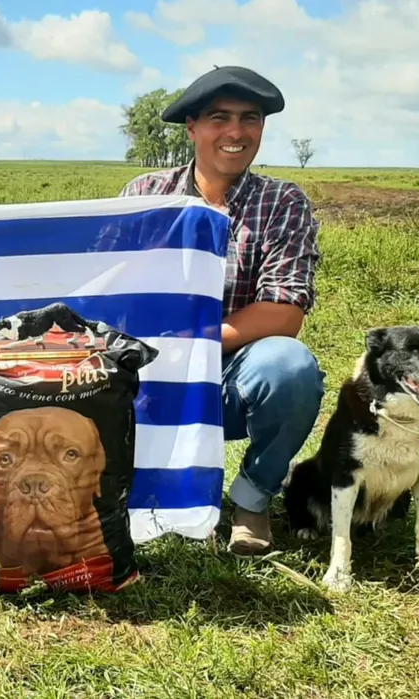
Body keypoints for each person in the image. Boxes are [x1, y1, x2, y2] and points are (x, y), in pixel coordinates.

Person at [119, 65, 325, 556]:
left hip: (232, 372)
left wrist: (188, 342)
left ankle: (252, 498)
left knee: (290, 367)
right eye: (219, 118)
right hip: (149, 368)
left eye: (249, 119)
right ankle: (142, 488)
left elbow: (282, 313)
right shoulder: (144, 196)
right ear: (192, 128)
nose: (235, 132)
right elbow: (114, 291)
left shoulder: (282, 203)